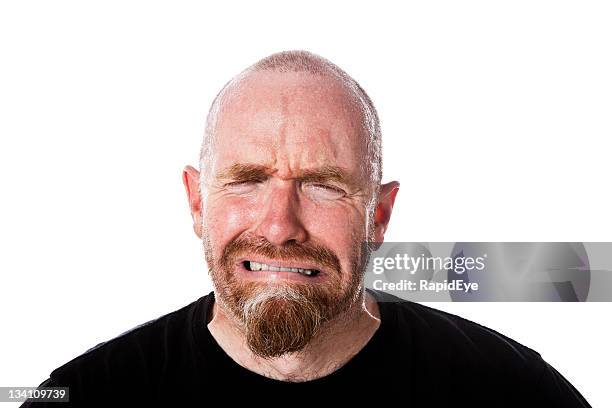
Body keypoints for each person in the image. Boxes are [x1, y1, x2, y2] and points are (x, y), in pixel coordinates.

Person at [23, 50, 591, 406]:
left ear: (380, 214)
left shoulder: (512, 394)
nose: (280, 225)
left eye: (323, 185)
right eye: (246, 180)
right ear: (197, 202)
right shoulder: (88, 396)